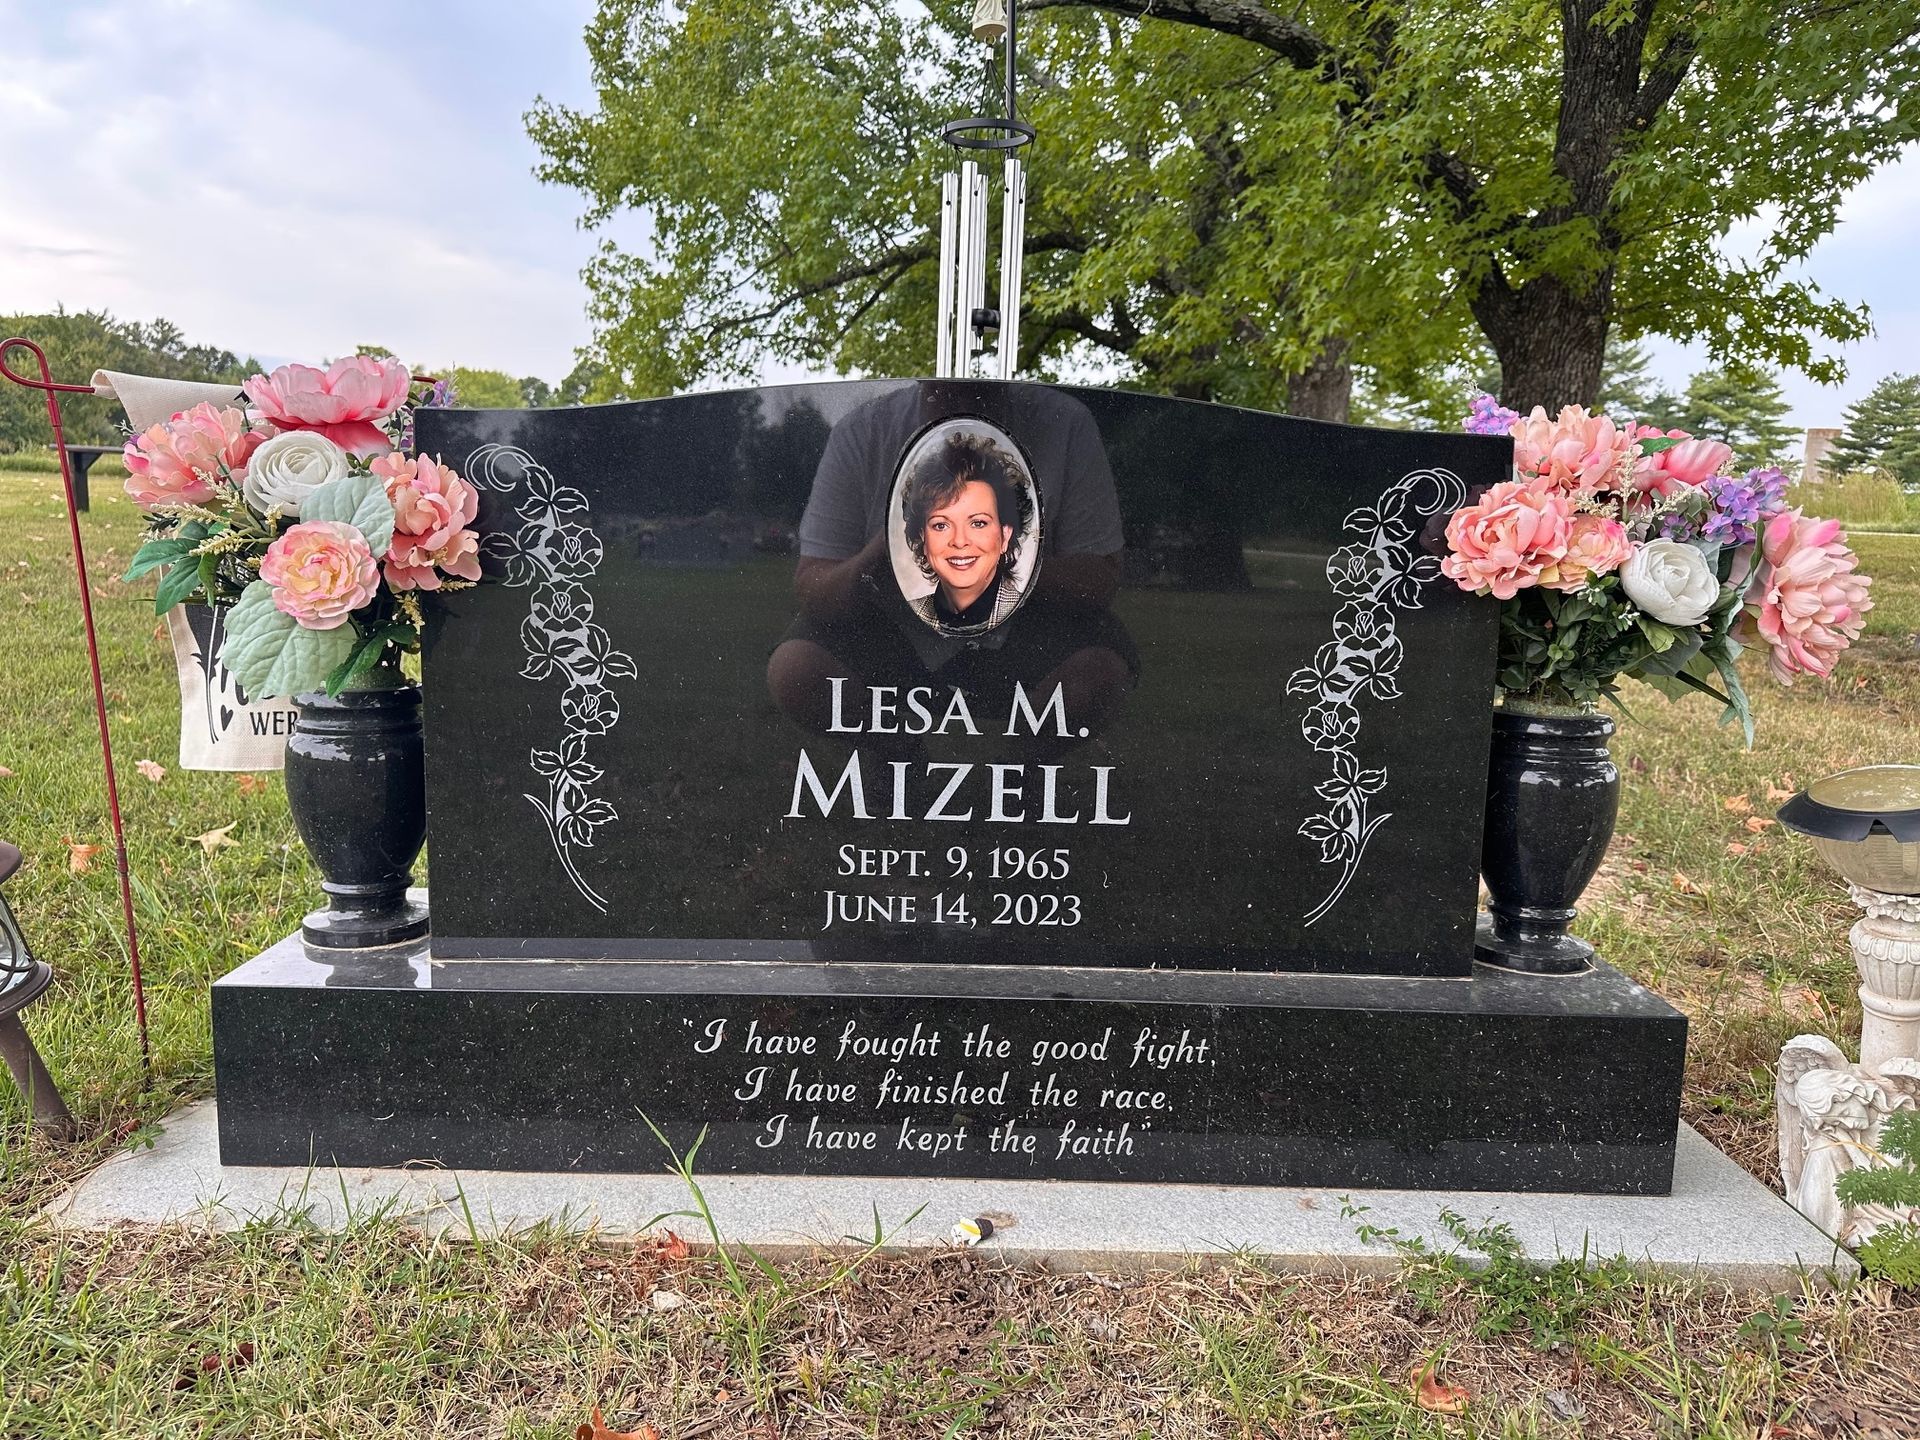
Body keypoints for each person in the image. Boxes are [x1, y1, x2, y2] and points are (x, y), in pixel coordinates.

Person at [767, 384, 1136, 748]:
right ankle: (895, 757)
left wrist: (1004, 564)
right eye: (945, 392)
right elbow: (813, 583)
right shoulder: (864, 431)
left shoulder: (1065, 423)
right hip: (892, 629)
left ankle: (1023, 772)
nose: (965, 403)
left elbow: (1099, 578)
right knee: (795, 667)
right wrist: (883, 553)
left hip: (1028, 626)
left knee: (1099, 671)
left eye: (984, 391)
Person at [899, 430, 1032, 634]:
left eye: (978, 523)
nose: (960, 541)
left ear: (1005, 536)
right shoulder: (903, 622)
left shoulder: (1035, 619)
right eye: (941, 525)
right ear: (923, 537)